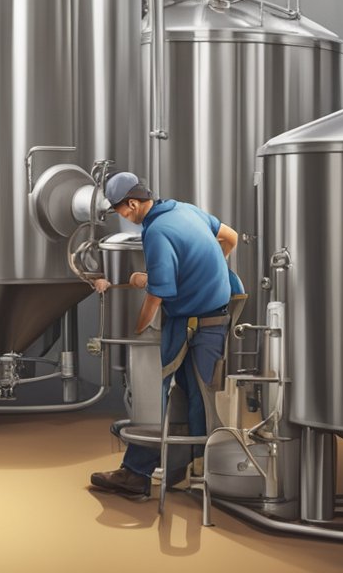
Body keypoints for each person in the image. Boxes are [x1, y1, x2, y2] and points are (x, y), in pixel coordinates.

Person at [88, 171, 242, 498]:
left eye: (120, 211)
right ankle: (181, 473)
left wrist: (138, 331)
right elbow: (231, 237)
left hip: (191, 324)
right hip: (216, 319)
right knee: (197, 396)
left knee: (172, 397)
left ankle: (163, 474)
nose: (122, 217)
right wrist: (208, 270)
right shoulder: (186, 210)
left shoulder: (156, 232)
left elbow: (157, 298)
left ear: (131, 203)